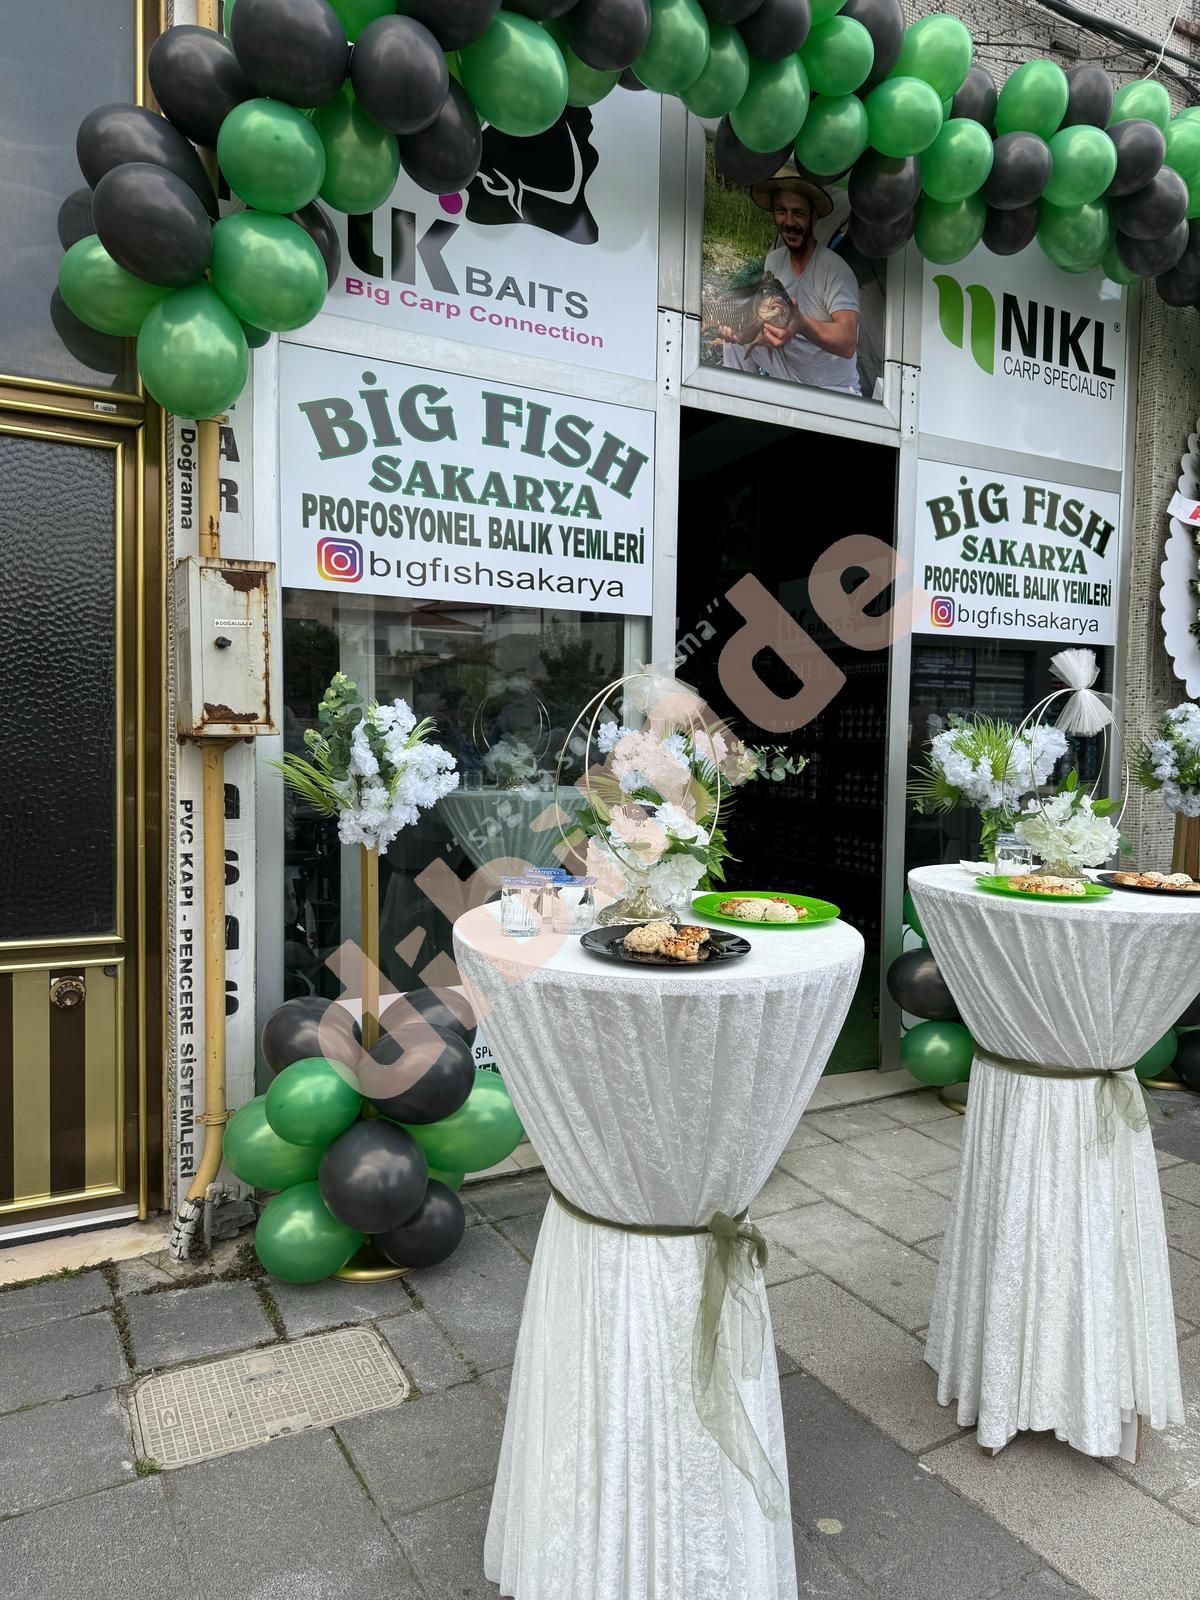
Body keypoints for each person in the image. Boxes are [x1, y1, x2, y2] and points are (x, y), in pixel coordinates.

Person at [721, 164, 862, 395]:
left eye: (798, 213)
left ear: (813, 218)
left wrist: (801, 324)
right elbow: (764, 318)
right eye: (781, 211)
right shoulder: (774, 261)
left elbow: (847, 343)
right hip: (787, 372)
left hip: (831, 387)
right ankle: (736, 402)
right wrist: (745, 331)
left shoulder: (835, 270)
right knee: (735, 339)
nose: (788, 222)